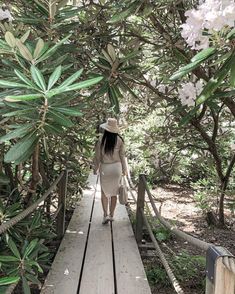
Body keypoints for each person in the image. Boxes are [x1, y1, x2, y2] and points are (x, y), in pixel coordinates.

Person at [93, 118, 127, 224]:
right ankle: (112, 215)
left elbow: (97, 156)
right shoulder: (120, 140)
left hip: (105, 168)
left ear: (106, 128)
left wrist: (95, 168)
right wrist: (124, 169)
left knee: (104, 193)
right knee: (114, 193)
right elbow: (122, 156)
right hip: (117, 168)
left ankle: (105, 215)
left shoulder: (101, 140)